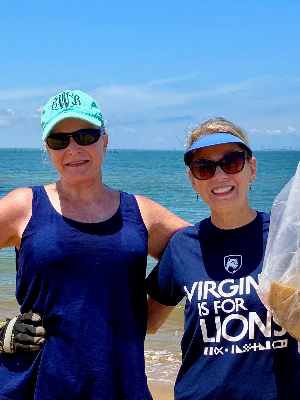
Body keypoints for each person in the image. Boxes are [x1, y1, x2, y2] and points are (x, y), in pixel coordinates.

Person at [0, 89, 189, 400]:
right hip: (32, 388)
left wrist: (150, 314)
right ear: (48, 149)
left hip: (119, 387)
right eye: (60, 140)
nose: (73, 148)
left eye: (85, 136)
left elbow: (198, 250)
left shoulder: (140, 212)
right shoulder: (23, 206)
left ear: (104, 141)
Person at [146, 118, 300, 400]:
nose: (219, 176)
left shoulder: (285, 237)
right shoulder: (182, 247)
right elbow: (146, 322)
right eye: (204, 167)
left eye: (231, 162)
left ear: (251, 168)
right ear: (193, 180)